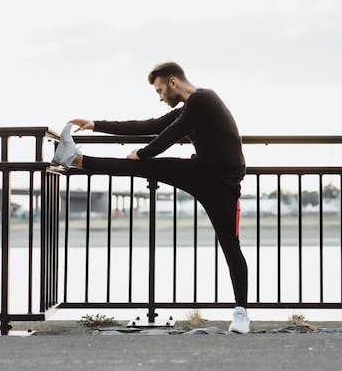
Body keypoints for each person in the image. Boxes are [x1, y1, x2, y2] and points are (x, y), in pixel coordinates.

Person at [53, 62, 250, 333]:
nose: (159, 97)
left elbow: (170, 134)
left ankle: (241, 314)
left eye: (159, 90)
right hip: (199, 171)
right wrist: (97, 124)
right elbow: (148, 125)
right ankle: (73, 158)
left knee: (230, 246)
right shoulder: (188, 108)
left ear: (172, 83)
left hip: (224, 185)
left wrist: (144, 153)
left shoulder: (204, 99)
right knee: (137, 167)